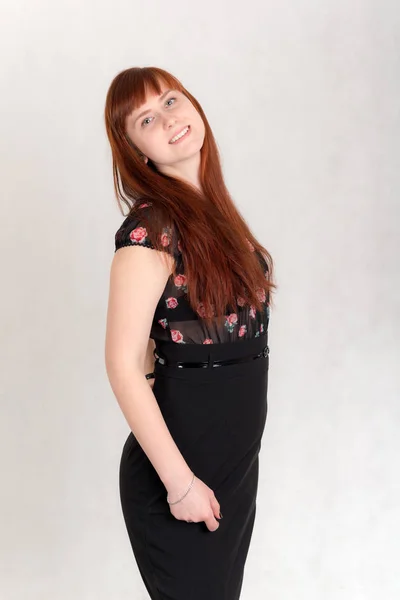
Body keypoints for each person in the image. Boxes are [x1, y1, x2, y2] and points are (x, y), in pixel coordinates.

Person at [104, 66, 276, 600]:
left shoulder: (216, 215)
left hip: (232, 467)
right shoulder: (149, 230)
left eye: (173, 101)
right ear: (137, 151)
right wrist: (180, 487)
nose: (170, 118)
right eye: (147, 118)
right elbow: (124, 364)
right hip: (179, 478)